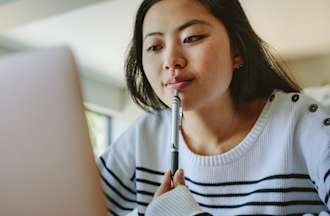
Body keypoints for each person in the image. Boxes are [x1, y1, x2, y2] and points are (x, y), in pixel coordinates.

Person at [98, 0, 330, 215]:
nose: (170, 60)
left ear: (237, 50)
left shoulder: (302, 122)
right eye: (154, 47)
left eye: (192, 37)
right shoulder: (145, 134)